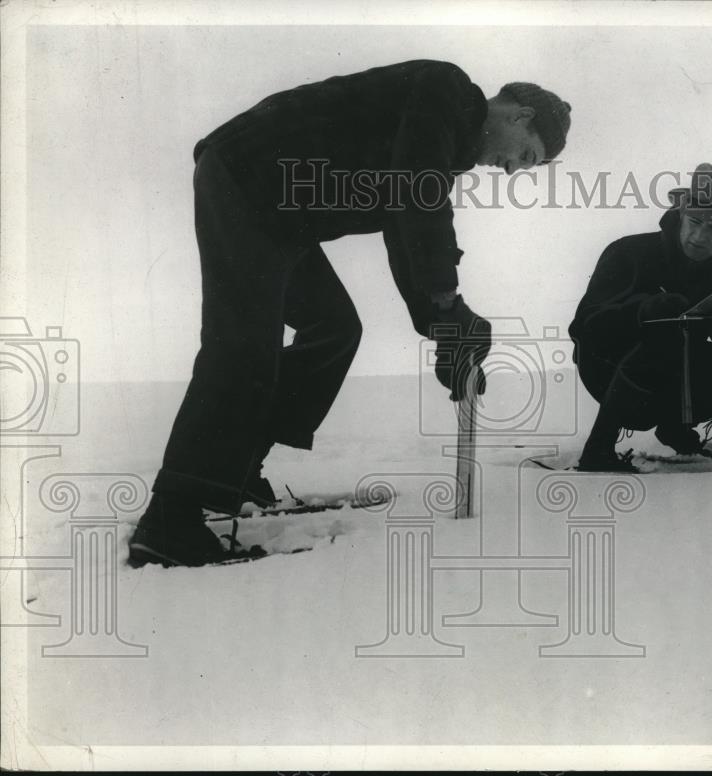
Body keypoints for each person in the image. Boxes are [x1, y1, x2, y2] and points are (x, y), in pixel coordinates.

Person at [129, 59, 571, 567]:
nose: (513, 170)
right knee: (243, 344)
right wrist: (448, 303)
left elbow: (407, 232)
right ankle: (170, 519)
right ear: (522, 115)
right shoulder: (446, 91)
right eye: (526, 156)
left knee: (334, 328)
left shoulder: (443, 150)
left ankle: (237, 466)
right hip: (245, 179)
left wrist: (442, 324)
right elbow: (418, 196)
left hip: (280, 217)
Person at [568, 163, 712, 472]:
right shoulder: (628, 253)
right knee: (664, 333)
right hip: (610, 376)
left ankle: (674, 429)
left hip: (675, 384)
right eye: (695, 221)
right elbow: (585, 328)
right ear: (679, 214)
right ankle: (598, 449)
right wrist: (641, 311)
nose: (700, 236)